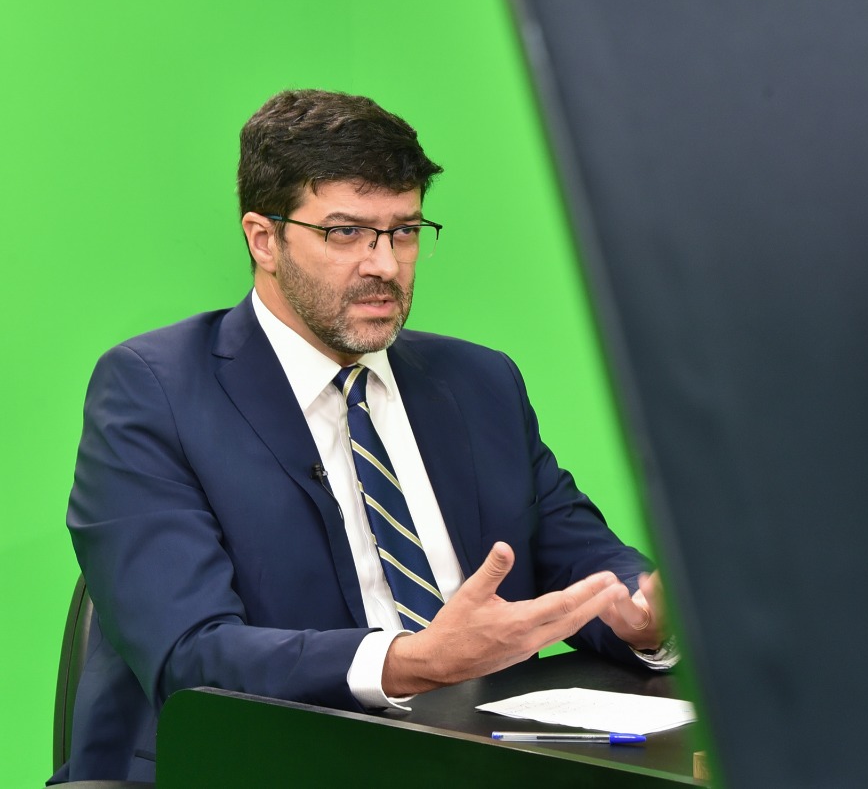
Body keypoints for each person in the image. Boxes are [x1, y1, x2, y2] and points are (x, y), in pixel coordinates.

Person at [59, 90, 672, 783]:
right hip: (256, 765)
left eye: (404, 231)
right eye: (346, 232)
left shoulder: (478, 382)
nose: (384, 264)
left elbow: (586, 567)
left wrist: (644, 616)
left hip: (477, 761)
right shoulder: (153, 391)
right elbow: (191, 656)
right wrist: (410, 662)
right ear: (264, 238)